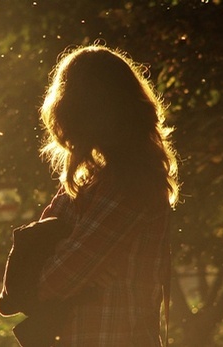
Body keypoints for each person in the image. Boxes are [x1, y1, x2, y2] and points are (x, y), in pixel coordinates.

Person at [36, 44, 179, 346]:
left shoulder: (130, 184)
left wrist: (69, 265)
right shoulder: (90, 180)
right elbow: (38, 257)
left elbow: (53, 278)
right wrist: (77, 266)